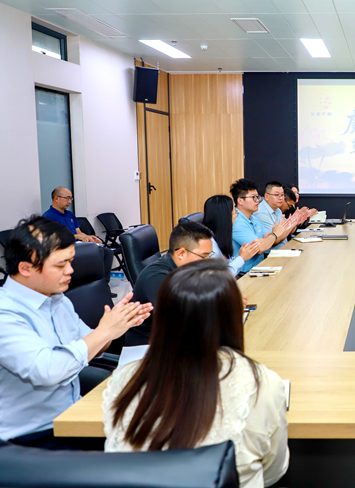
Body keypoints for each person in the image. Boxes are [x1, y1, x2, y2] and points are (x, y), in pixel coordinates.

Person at [103, 260, 289, 488]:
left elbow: (118, 456)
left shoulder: (126, 379)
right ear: (233, 318)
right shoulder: (261, 382)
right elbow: (274, 469)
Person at [0, 216, 151, 448]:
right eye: (61, 265)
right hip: (29, 439)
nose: (70, 270)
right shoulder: (6, 313)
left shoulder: (57, 300)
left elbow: (92, 346)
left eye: (71, 261)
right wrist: (104, 331)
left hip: (70, 416)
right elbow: (48, 370)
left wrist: (116, 326)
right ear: (25, 268)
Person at [125, 221, 214, 346]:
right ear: (181, 253)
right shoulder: (157, 277)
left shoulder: (187, 270)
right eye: (203, 257)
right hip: (148, 346)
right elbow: (179, 320)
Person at [42, 187, 114, 286]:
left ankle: (104, 285)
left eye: (71, 199)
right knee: (99, 253)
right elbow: (55, 238)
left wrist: (89, 237)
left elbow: (79, 232)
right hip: (64, 248)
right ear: (56, 199)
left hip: (78, 245)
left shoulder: (70, 214)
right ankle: (94, 284)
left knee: (107, 252)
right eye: (67, 198)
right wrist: (78, 237)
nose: (69, 202)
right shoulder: (48, 216)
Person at [230, 179, 286, 274]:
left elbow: (268, 237)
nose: (257, 201)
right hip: (245, 273)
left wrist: (271, 236)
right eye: (253, 197)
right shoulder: (236, 221)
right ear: (240, 201)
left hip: (260, 267)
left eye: (257, 197)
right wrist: (275, 234)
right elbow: (259, 248)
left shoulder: (253, 218)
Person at [202, 195, 261, 277]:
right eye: (235, 213)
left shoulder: (221, 235)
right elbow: (220, 276)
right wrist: (242, 258)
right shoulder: (208, 244)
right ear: (225, 217)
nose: (236, 216)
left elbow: (227, 263)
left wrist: (242, 255)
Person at [253, 181, 300, 251]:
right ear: (267, 196)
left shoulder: (277, 210)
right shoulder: (260, 212)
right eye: (276, 195)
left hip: (283, 249)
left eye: (282, 195)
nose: (281, 198)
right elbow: (274, 241)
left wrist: (294, 222)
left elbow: (287, 230)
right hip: (271, 253)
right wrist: (292, 223)